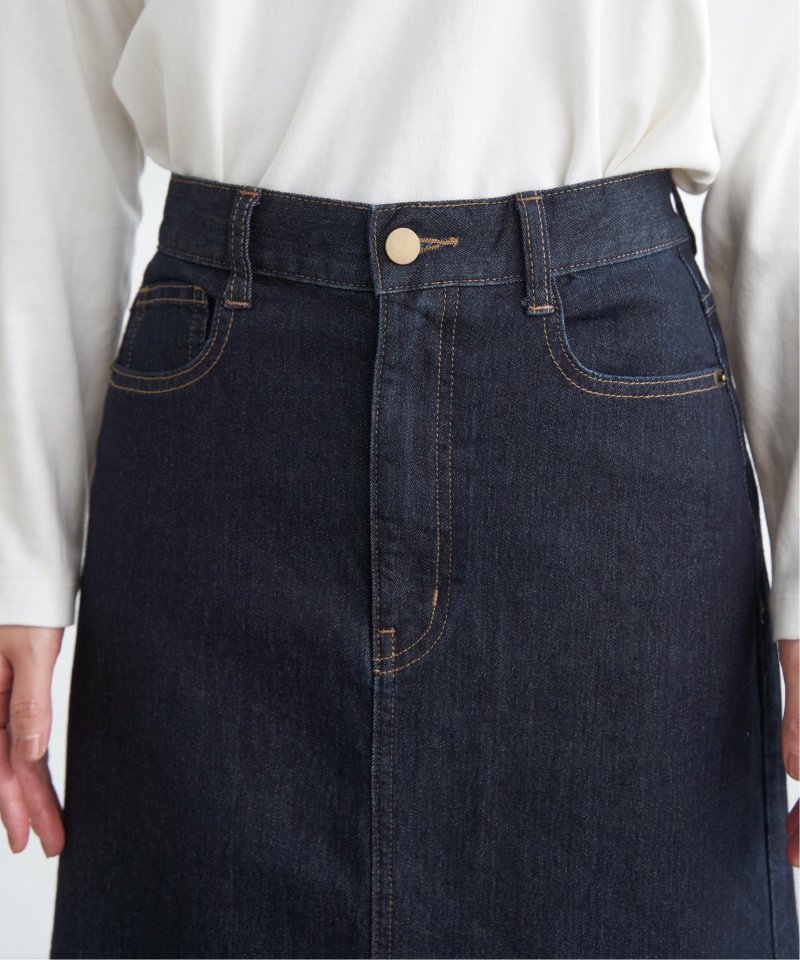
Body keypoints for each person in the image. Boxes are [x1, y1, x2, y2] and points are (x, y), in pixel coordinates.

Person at [1, 1, 797, 957]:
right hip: (229, 426)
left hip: (603, 431)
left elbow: (782, 111)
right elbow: (47, 95)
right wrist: (18, 555)